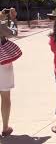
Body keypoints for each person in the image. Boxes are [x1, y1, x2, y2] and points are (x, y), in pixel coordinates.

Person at [0, 9, 18, 137]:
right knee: (5, 97)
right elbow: (13, 33)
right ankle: (5, 127)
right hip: (2, 63)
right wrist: (12, 19)